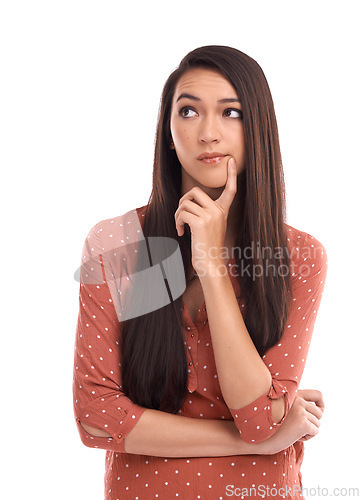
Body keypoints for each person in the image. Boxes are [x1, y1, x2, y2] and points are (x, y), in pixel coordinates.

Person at [72, 45, 328, 500]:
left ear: (258, 131)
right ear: (169, 132)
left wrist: (210, 264)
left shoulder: (298, 256)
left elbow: (255, 415)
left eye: (231, 113)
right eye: (188, 111)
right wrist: (256, 442)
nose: (208, 133)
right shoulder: (121, 246)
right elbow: (96, 417)